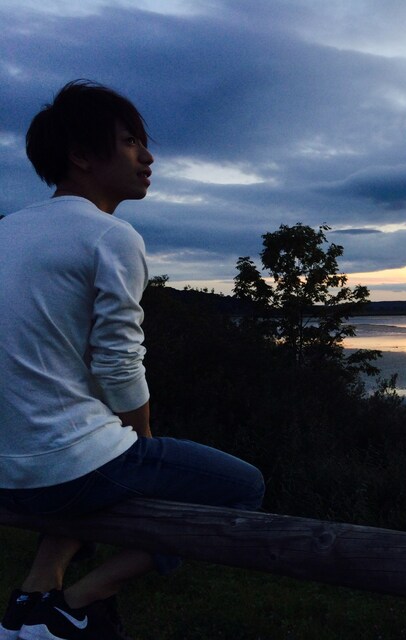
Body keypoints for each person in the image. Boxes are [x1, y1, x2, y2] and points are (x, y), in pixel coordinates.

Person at [0, 80, 265, 640]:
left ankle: (32, 598)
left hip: (9, 471)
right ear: (81, 156)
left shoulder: (8, 231)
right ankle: (79, 603)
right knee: (243, 486)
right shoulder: (110, 235)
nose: (147, 157)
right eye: (128, 142)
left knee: (90, 453)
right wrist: (140, 438)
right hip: (64, 469)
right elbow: (118, 361)